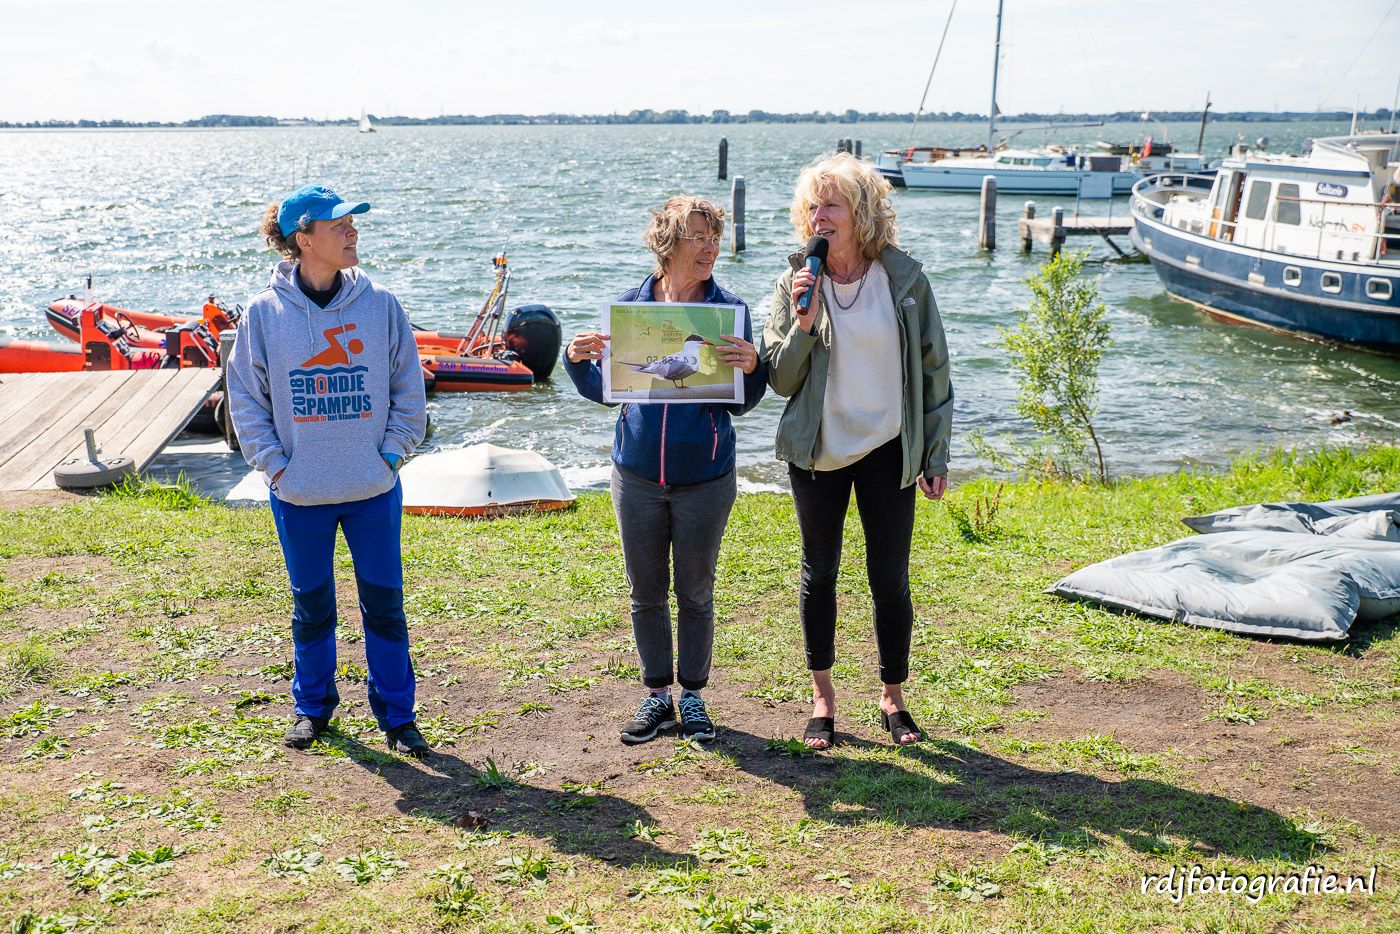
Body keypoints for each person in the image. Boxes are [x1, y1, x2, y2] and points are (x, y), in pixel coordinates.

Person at [227, 184, 431, 758]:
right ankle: (313, 708)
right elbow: (246, 399)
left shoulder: (380, 304)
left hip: (372, 489)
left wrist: (391, 455)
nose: (351, 231)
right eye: (338, 224)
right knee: (311, 606)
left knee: (385, 605)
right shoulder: (264, 314)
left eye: (352, 222)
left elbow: (408, 388)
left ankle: (398, 717)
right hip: (299, 493)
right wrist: (276, 468)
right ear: (304, 238)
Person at [761, 153, 953, 750]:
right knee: (819, 575)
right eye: (812, 206)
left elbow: (935, 371)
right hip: (819, 449)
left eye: (832, 205)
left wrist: (935, 454)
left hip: (889, 447)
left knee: (889, 578)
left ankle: (893, 697)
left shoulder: (904, 280)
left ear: (862, 213)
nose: (820, 216)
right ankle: (823, 697)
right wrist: (804, 321)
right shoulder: (795, 280)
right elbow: (780, 379)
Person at [564, 195, 767, 745]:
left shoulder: (730, 311)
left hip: (706, 477)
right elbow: (609, 392)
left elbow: (742, 403)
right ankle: (657, 696)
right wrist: (575, 361)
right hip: (635, 476)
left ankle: (694, 697)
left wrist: (754, 367)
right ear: (667, 243)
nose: (710, 248)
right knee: (645, 592)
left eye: (714, 238)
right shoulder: (630, 309)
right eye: (698, 237)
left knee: (696, 592)